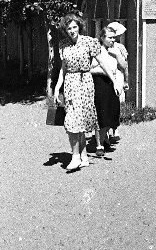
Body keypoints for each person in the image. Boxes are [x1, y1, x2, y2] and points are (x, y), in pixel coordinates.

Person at [53, 14, 115, 173]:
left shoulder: (89, 42)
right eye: (69, 28)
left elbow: (102, 62)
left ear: (79, 27)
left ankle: (76, 157)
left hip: (85, 83)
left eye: (74, 27)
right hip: (70, 84)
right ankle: (82, 156)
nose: (72, 30)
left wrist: (114, 80)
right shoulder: (63, 45)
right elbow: (63, 69)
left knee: (78, 120)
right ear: (65, 30)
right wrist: (57, 88)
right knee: (73, 120)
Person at [91, 26, 127, 155]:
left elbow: (124, 66)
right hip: (99, 83)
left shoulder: (117, 49)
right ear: (102, 38)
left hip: (113, 83)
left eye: (114, 38)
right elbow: (89, 68)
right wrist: (103, 71)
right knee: (101, 114)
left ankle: (105, 139)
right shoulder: (96, 50)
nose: (113, 40)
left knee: (112, 113)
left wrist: (117, 55)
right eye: (110, 37)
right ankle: (99, 145)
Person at [106, 21, 128, 143]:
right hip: (106, 76)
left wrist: (125, 80)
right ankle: (106, 132)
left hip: (118, 76)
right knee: (106, 105)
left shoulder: (120, 48)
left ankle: (115, 128)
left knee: (116, 105)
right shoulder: (101, 47)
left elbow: (124, 66)